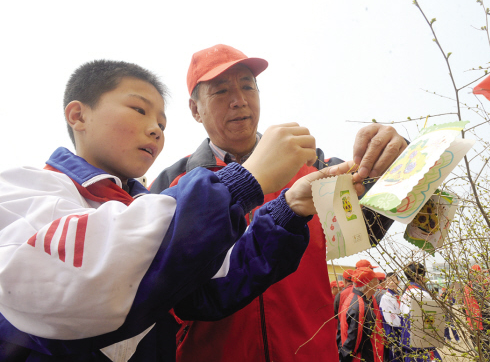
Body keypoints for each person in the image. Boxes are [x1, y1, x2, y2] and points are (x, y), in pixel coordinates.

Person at [0, 60, 354, 361]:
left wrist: (288, 210)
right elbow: (92, 274)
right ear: (78, 115)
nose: (154, 128)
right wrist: (244, 181)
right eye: (139, 110)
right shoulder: (24, 190)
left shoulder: (311, 166)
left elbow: (204, 286)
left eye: (248, 87)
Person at [150, 44, 408, 361]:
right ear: (194, 109)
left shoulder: (312, 167)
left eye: (248, 86)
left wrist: (395, 161)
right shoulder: (173, 185)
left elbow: (369, 225)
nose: (239, 100)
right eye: (220, 91)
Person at [338, 267, 385, 362]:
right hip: (360, 357)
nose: (378, 284)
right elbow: (354, 341)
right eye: (375, 281)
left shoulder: (353, 298)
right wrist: (344, 357)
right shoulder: (360, 306)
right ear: (369, 285)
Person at [400, 262, 442, 362]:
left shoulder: (405, 292)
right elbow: (430, 322)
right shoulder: (422, 294)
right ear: (420, 276)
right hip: (422, 342)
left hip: (408, 341)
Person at [464, 264, 490, 361]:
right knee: (489, 352)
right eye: (481, 274)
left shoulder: (468, 286)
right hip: (482, 324)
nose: (483, 276)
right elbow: (485, 307)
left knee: (480, 351)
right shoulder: (476, 286)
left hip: (474, 324)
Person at [379, 272, 402, 362]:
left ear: (398, 282)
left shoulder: (400, 296)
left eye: (393, 280)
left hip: (402, 332)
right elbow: (392, 320)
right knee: (395, 358)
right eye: (388, 281)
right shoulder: (386, 298)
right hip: (393, 333)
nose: (391, 282)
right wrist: (404, 325)